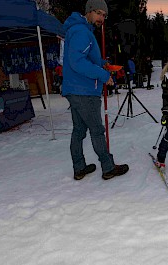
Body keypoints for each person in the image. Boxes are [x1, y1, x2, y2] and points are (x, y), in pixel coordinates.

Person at [62, 0, 129, 180]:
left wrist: (102, 64)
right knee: (97, 130)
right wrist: (102, 74)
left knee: (79, 131)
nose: (102, 18)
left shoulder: (79, 30)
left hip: (75, 89)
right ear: (89, 11)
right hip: (84, 91)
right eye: (99, 13)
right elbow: (77, 62)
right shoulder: (81, 32)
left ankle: (79, 167)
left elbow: (81, 59)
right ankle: (108, 168)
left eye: (104, 15)